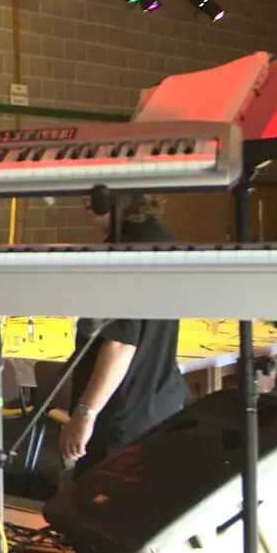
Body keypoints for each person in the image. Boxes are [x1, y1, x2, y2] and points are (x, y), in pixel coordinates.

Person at [59, 193, 189, 479]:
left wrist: (85, 412)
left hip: (121, 415)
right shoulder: (163, 239)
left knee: (99, 512)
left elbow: (120, 344)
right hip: (160, 402)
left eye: (91, 195)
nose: (84, 202)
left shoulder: (121, 251)